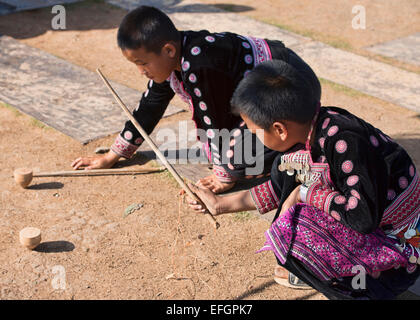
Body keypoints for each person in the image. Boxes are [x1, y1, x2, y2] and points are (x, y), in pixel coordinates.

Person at [186, 59, 420, 299]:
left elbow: (362, 216)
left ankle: (365, 290)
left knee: (292, 234)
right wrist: (218, 204)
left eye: (254, 131)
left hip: (404, 248)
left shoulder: (345, 141)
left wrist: (304, 193)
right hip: (377, 228)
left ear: (279, 129)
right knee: (289, 193)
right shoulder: (308, 133)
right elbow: (279, 187)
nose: (253, 137)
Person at [71, 5, 321, 194]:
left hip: (294, 85)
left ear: (168, 50)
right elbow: (150, 105)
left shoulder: (201, 64)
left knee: (247, 154)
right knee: (235, 149)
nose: (141, 71)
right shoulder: (175, 57)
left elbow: (217, 121)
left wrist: (226, 175)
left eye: (143, 63)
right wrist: (114, 155)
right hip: (265, 92)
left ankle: (301, 147)